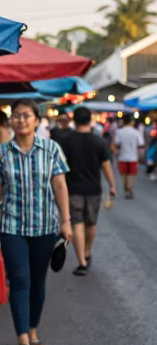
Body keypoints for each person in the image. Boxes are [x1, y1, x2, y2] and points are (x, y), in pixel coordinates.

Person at [0, 99, 71, 345]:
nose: (20, 120)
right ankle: (22, 337)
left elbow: (59, 185)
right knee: (20, 280)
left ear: (37, 120)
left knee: (38, 281)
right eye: (16, 116)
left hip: (46, 226)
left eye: (26, 116)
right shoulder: (2, 153)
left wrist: (66, 221)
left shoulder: (51, 149)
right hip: (13, 226)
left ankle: (33, 330)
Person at [54, 105, 115, 274]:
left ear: (74, 120)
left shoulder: (66, 141)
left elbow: (59, 167)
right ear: (91, 120)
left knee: (77, 224)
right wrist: (112, 185)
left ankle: (81, 261)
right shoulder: (99, 141)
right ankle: (87, 252)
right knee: (91, 224)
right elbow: (106, 165)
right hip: (94, 189)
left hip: (72, 189)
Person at [112, 115, 141, 199]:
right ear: (132, 122)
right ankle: (130, 187)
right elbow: (140, 145)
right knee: (131, 174)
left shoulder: (119, 132)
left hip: (122, 156)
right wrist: (140, 156)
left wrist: (116, 154)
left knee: (123, 174)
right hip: (133, 157)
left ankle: (126, 188)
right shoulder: (136, 132)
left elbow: (116, 144)